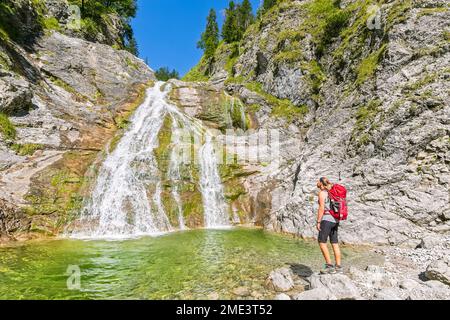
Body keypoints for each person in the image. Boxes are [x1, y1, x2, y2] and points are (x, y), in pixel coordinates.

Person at [316, 177, 343, 274]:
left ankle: (329, 266)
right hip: (335, 220)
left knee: (322, 242)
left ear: (321, 183)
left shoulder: (322, 193)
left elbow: (321, 208)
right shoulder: (333, 192)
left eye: (318, 181)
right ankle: (338, 266)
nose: (317, 183)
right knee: (334, 242)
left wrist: (318, 221)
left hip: (326, 220)